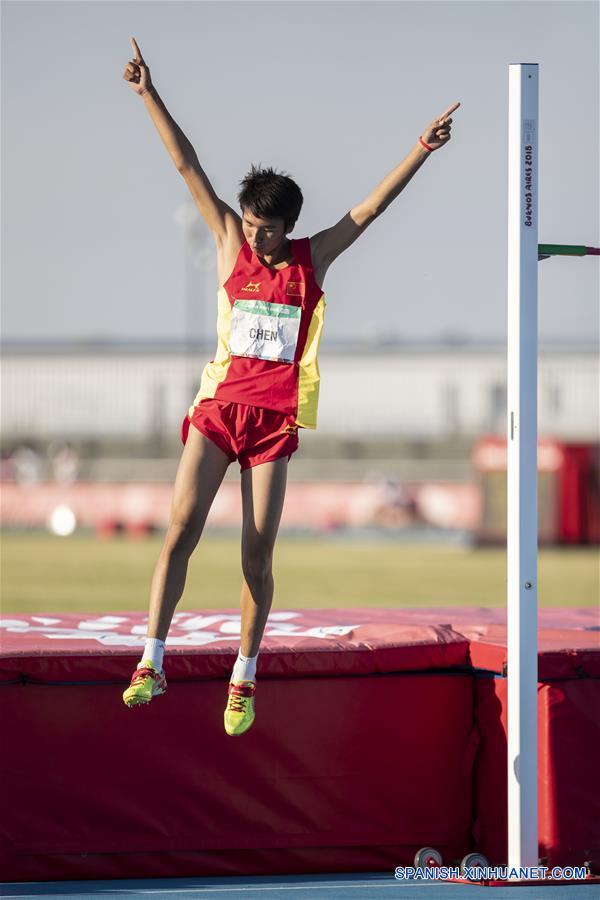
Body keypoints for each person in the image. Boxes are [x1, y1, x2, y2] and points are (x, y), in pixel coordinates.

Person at [121, 36, 459, 734]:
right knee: (179, 528)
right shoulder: (226, 241)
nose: (257, 239)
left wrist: (420, 149)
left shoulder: (312, 259)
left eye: (267, 230)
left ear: (288, 228)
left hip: (274, 421)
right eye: (250, 226)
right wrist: (148, 92)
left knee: (256, 551)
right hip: (219, 410)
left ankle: (243, 677)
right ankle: (151, 660)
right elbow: (185, 162)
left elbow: (369, 210)